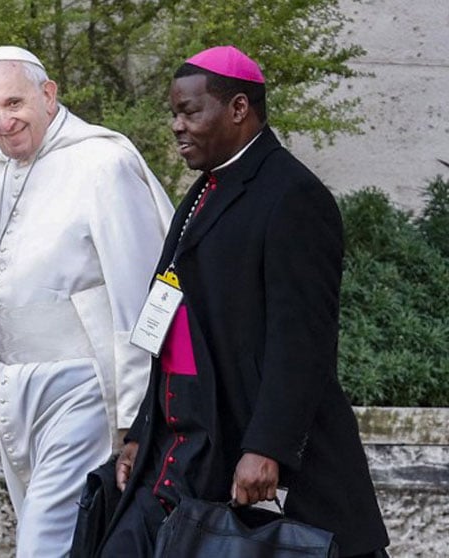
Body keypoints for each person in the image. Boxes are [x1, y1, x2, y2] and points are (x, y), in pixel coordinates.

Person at [98, 46, 389, 557]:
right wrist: (142, 430)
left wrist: (268, 447)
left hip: (239, 438)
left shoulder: (293, 194)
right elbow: (166, 325)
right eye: (174, 113)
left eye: (190, 111)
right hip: (179, 437)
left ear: (238, 108)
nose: (176, 126)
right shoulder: (204, 189)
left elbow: (302, 341)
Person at [0, 46, 173, 557]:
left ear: (48, 95)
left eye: (14, 103)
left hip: (84, 384)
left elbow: (136, 295)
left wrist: (135, 415)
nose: (3, 122)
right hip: (15, 383)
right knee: (61, 532)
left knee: (43, 540)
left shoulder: (103, 162)